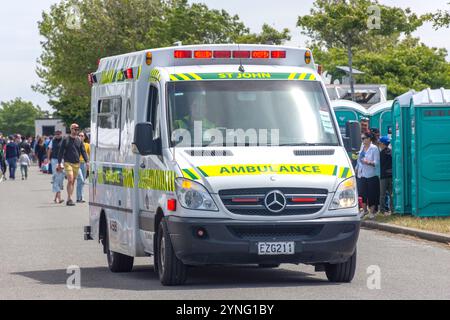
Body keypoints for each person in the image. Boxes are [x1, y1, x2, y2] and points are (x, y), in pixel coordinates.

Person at [58, 124, 89, 206]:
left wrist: (87, 162)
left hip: (76, 163)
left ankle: (69, 198)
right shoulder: (66, 139)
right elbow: (61, 152)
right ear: (71, 129)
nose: (76, 131)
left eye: (77, 129)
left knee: (73, 182)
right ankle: (69, 198)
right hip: (68, 162)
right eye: (74, 129)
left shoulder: (79, 140)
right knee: (70, 180)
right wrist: (59, 163)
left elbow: (83, 152)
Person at [356, 132, 380, 219]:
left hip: (371, 175)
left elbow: (376, 163)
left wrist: (368, 162)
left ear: (369, 139)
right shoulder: (362, 147)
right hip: (362, 174)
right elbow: (359, 159)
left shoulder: (374, 148)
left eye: (364, 138)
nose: (362, 140)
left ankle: (372, 212)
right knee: (362, 194)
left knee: (372, 194)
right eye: (362, 138)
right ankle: (364, 210)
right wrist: (357, 167)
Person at [47, 130, 65, 203]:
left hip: (63, 160)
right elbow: (49, 150)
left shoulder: (64, 140)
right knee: (57, 176)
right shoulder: (52, 141)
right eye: (56, 134)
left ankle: (56, 198)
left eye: (59, 134)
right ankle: (59, 198)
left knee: (61, 177)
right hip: (54, 160)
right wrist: (48, 159)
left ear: (61, 134)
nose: (57, 135)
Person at [379, 136, 393, 215]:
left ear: (383, 144)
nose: (379, 144)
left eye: (380, 143)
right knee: (391, 194)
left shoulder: (381, 153)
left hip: (383, 176)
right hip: (391, 176)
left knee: (382, 195)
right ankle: (393, 209)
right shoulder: (391, 152)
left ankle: (382, 210)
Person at [76, 131, 90, 203]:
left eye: (82, 136)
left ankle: (79, 197)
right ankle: (80, 197)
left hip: (84, 164)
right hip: (77, 164)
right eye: (79, 135)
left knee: (82, 181)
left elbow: (90, 155)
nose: (80, 137)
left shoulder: (87, 145)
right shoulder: (75, 144)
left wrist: (89, 164)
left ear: (84, 137)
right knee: (80, 180)